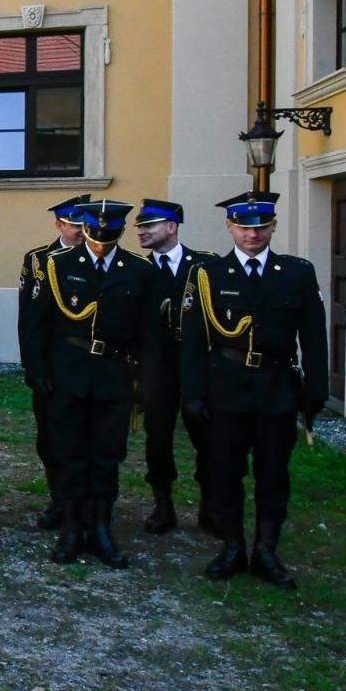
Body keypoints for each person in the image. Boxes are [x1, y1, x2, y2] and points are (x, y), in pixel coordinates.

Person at [181, 191, 328, 589]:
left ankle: (266, 549)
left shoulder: (296, 273)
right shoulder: (208, 275)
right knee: (225, 471)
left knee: (273, 474)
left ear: (273, 227)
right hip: (225, 387)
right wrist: (192, 394)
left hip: (276, 388)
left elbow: (314, 336)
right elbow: (194, 339)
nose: (253, 235)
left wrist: (316, 389)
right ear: (230, 228)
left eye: (261, 227)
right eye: (244, 228)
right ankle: (231, 546)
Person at [26, 199, 163, 569]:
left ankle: (101, 528)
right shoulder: (57, 266)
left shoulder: (139, 271)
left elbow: (151, 335)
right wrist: (37, 372)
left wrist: (146, 382)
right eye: (95, 233)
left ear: (118, 233)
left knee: (106, 456)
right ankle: (72, 528)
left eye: (108, 235)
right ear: (84, 229)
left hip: (113, 375)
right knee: (69, 454)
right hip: (67, 373)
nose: (100, 241)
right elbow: (37, 325)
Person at [134, 199, 214, 534]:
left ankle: (211, 504)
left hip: (198, 364)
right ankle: (163, 505)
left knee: (207, 434)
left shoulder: (204, 266)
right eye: (139, 226)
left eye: (149, 225)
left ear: (172, 227)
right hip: (158, 366)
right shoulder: (140, 271)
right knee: (158, 436)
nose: (141, 232)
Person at [16, 194, 89, 531]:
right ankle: (59, 497)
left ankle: (88, 504)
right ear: (59, 225)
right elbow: (29, 321)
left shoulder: (98, 258)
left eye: (84, 224)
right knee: (50, 438)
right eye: (75, 224)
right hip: (53, 365)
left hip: (92, 366)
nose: (81, 230)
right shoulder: (39, 260)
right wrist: (34, 367)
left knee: (92, 439)